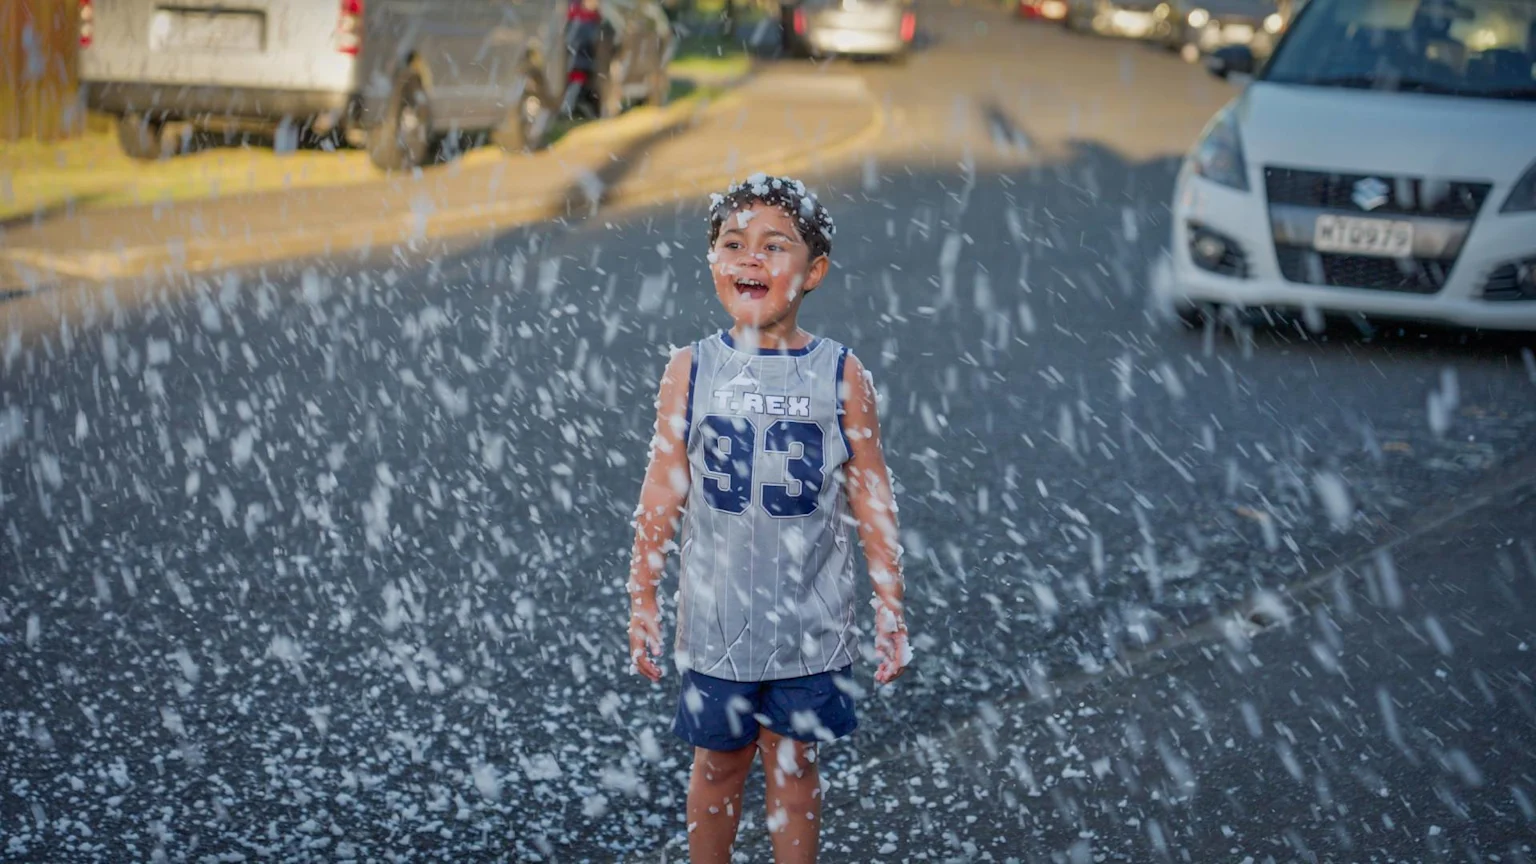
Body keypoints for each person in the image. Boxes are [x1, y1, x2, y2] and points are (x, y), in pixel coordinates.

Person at [625, 174, 912, 864]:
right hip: (717, 622)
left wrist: (890, 603)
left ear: (813, 271)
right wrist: (642, 594)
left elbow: (870, 494)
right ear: (713, 262)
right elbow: (662, 490)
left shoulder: (841, 374)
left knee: (793, 768)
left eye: (773, 246)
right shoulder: (691, 369)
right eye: (733, 244)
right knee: (717, 768)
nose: (750, 258)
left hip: (809, 629)